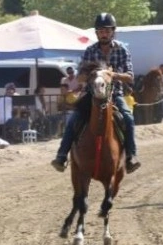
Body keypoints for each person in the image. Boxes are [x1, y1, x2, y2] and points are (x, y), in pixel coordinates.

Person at [50, 12, 141, 173]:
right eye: (100, 31)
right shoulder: (90, 51)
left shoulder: (122, 50)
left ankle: (131, 156)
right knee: (73, 119)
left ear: (113, 31)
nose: (103, 34)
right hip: (91, 95)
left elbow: (130, 76)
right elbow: (79, 78)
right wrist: (90, 74)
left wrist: (113, 75)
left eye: (106, 31)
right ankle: (62, 155)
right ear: (96, 33)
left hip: (114, 94)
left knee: (128, 118)